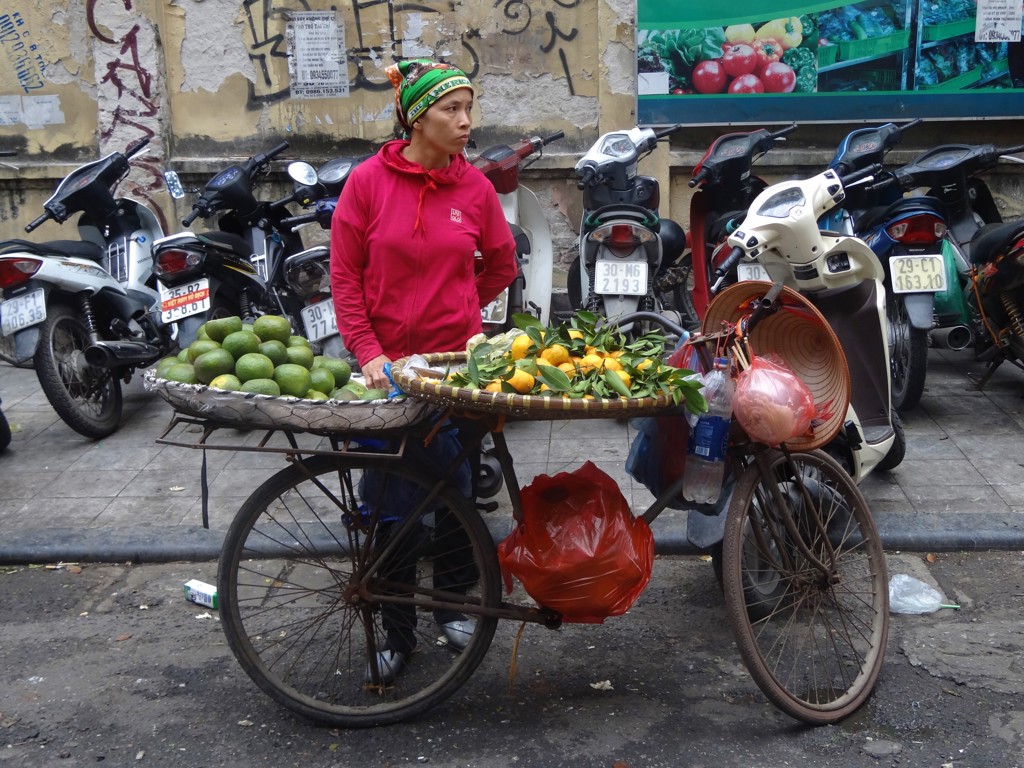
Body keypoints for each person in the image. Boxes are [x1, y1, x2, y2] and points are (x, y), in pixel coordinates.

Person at [330, 58, 518, 683]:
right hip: (384, 371)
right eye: (451, 111)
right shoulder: (366, 184)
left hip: (454, 370)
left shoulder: (476, 190)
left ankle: (455, 607)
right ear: (416, 117)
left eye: (470, 108)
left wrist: (464, 312)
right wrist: (368, 351)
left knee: (457, 490)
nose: (466, 122)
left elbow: (500, 264)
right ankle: (396, 630)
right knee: (388, 504)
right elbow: (346, 277)